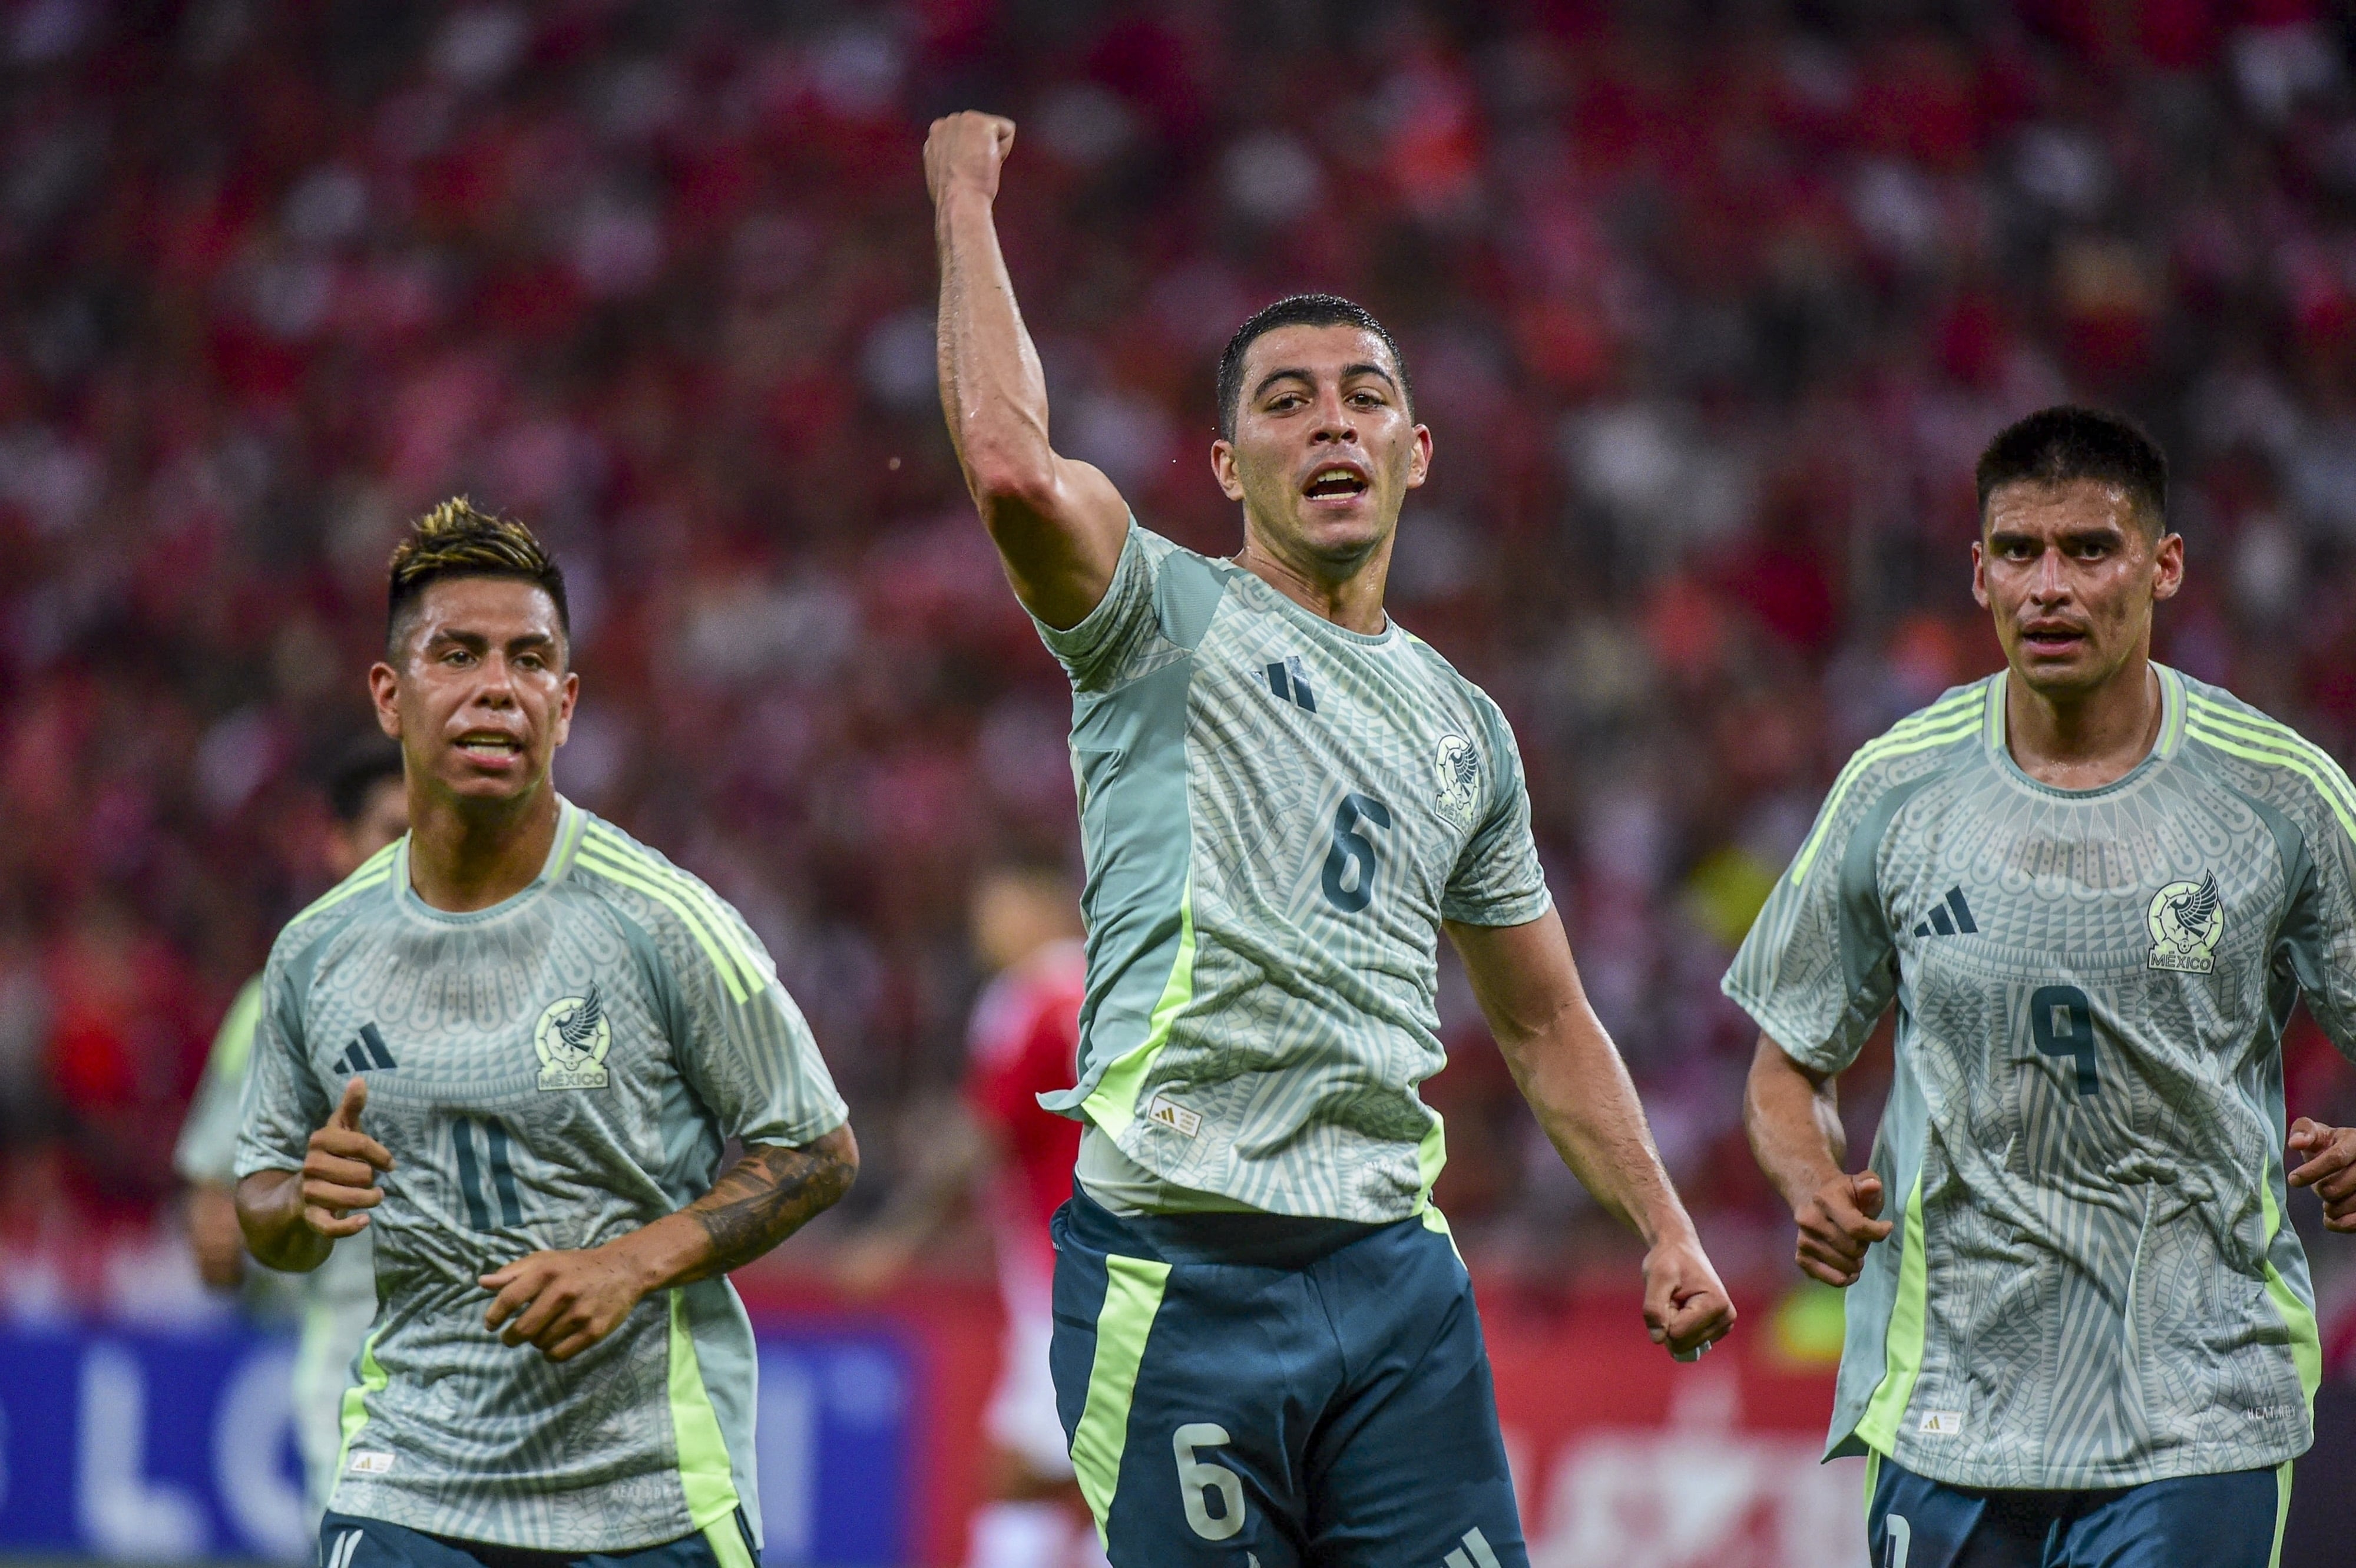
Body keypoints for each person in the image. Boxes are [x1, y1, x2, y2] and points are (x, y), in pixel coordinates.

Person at [925, 111, 1735, 1567]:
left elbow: (1543, 1014)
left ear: (1415, 453)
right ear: (1227, 464)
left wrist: (1663, 1223)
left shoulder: (1465, 726)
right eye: (1285, 403)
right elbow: (1007, 465)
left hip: (1389, 1275)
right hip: (1178, 1264)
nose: (1331, 424)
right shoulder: (1160, 620)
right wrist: (961, 198)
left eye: (1362, 398)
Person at [1730, 405, 2356, 1567]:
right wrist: (1810, 1179)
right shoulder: (1894, 789)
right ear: (1977, 573)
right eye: (2017, 551)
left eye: (2088, 548)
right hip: (1947, 1403)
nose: (2048, 585)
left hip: (2194, 1405)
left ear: (2162, 564)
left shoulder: (2279, 797)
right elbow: (1784, 1059)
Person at [233, 500, 858, 1568]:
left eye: (530, 660)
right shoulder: (316, 953)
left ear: (564, 707)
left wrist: (628, 1264)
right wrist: (303, 1199)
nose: (497, 687)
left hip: (646, 1491)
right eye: (457, 654)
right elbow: (261, 1202)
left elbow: (816, 1148)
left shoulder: (665, 921)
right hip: (411, 1478)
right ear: (390, 695)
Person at [835, 862, 1098, 1568]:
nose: (987, 930)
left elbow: (982, 1134)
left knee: (1019, 1472)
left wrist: (897, 1235)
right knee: (1112, 1464)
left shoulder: (1032, 994)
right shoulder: (1121, 985)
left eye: (997, 907)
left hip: (1063, 1282)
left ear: (1042, 902)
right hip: (1133, 1270)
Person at [174, 736, 407, 1524]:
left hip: (503, 1358)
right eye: (390, 831)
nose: (413, 852)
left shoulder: (513, 976)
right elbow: (216, 1211)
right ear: (338, 845)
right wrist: (252, 1231)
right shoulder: (284, 998)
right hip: (357, 1356)